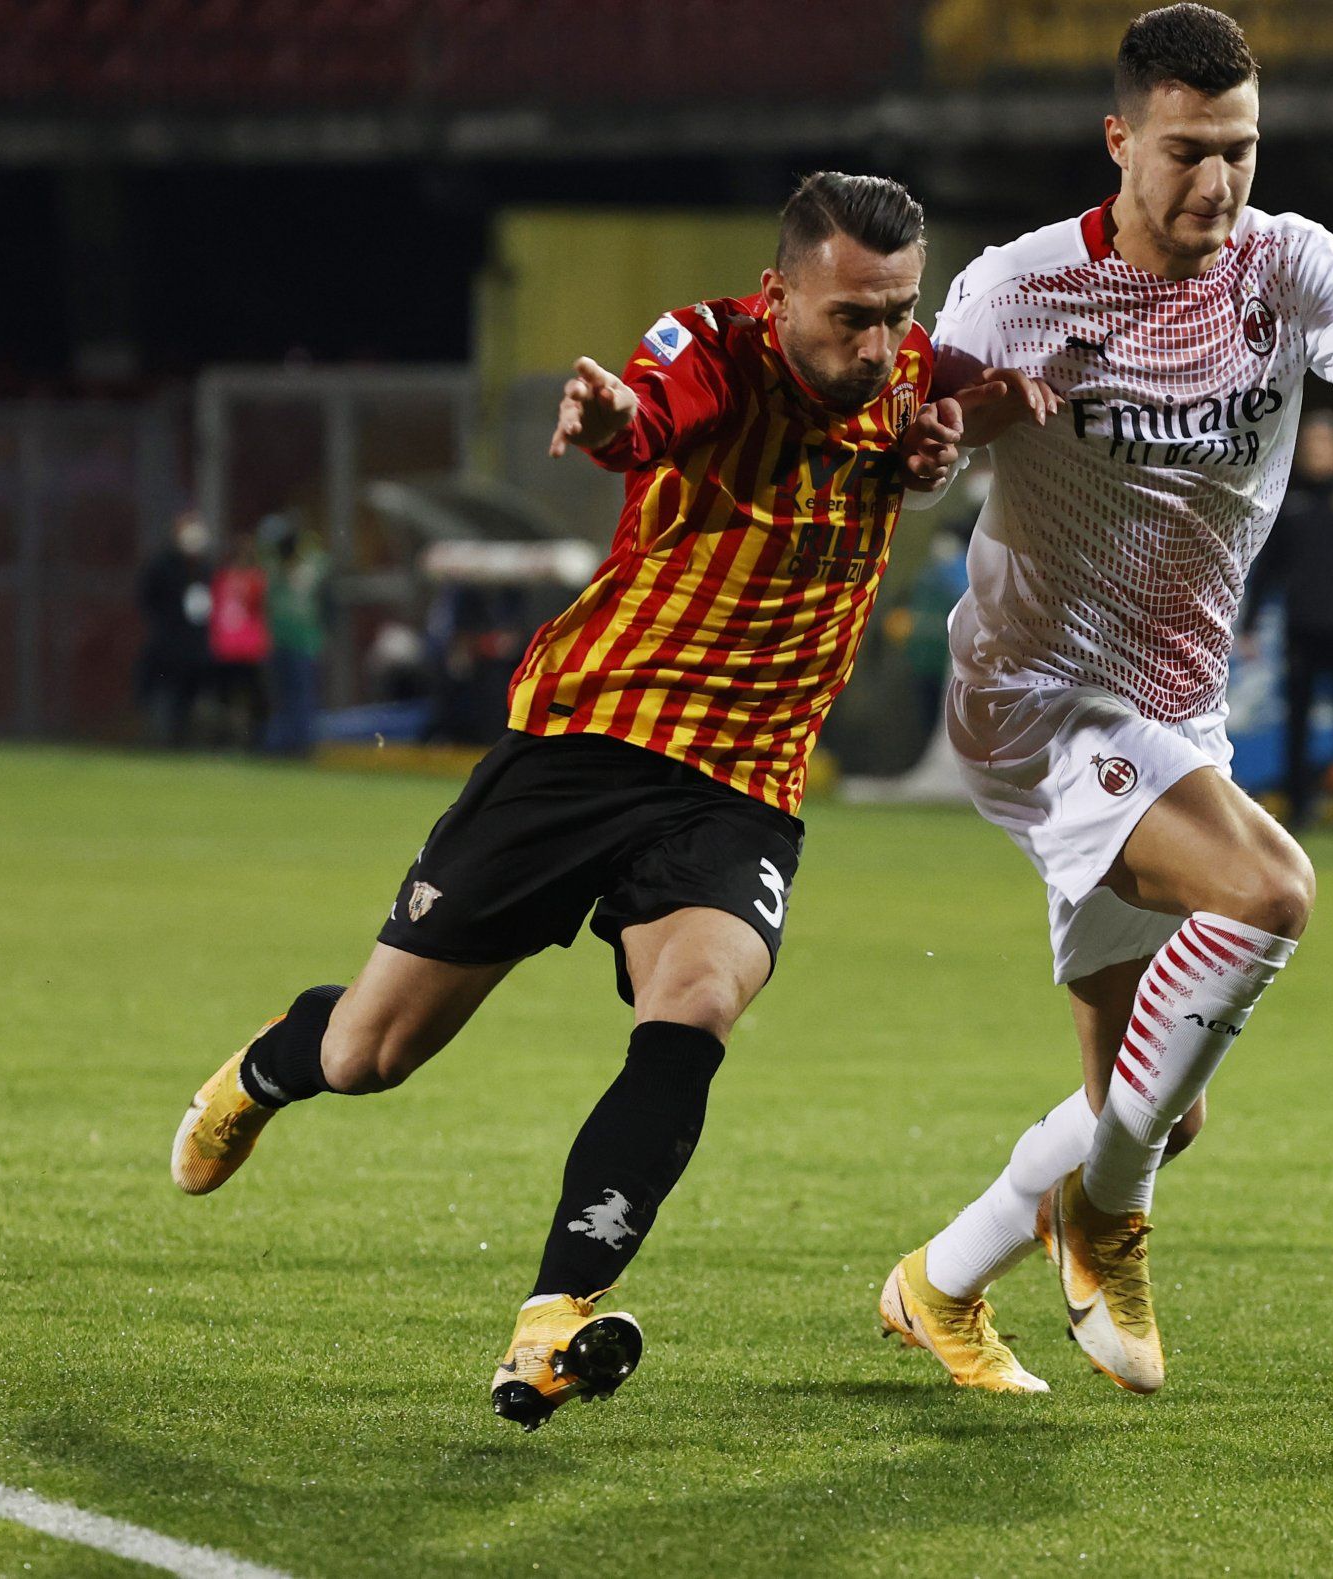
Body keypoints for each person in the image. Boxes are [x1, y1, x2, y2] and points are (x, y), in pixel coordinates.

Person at [168, 172, 1051, 1432]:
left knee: (696, 1004)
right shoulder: (709, 349)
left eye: (895, 314)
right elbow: (648, 415)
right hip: (589, 738)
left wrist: (977, 413)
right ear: (778, 290)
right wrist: (608, 420)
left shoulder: (904, 371)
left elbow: (965, 392)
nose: (874, 345)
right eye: (849, 316)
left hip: (740, 783)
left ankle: (553, 1315)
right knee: (372, 1053)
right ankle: (268, 1066)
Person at [882, 4, 1333, 1397]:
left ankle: (938, 1283)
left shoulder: (1286, 265)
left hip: (1172, 717)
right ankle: (1104, 1219)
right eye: (1187, 151)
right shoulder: (1016, 289)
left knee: (1148, 1100)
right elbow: (903, 459)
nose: (1217, 182)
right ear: (1119, 140)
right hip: (1038, 698)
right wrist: (952, 432)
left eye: (1240, 149)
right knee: (1269, 891)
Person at [1238, 410, 1333, 830]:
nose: (1317, 451)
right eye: (1310, 444)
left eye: (1325, 443)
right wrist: (1249, 626)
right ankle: (1299, 807)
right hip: (1301, 628)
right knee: (1297, 719)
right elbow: (1268, 570)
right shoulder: (1287, 501)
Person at [134, 509, 213, 747]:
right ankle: (158, 739)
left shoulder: (205, 568)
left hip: (195, 647)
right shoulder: (161, 565)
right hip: (166, 644)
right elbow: (146, 599)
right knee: (161, 693)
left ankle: (182, 741)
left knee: (188, 699)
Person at [259, 519, 328, 756]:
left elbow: (326, 601)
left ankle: (302, 743)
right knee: (281, 696)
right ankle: (282, 743)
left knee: (303, 695)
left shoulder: (312, 566)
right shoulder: (272, 568)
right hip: (278, 641)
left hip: (305, 642)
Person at [205, 537, 271, 749]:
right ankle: (226, 741)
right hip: (228, 647)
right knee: (226, 698)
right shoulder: (223, 579)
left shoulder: (255, 580)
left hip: (248, 648)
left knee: (253, 697)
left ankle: (255, 741)